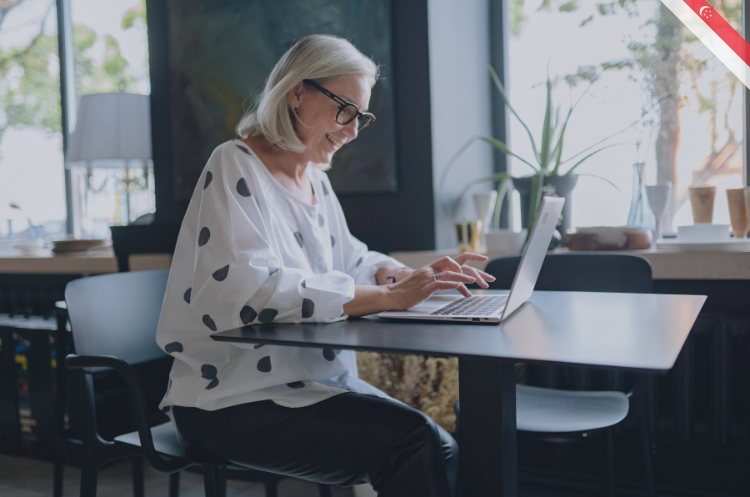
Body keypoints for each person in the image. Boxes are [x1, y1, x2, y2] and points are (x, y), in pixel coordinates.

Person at [156, 34, 495, 497]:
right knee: (413, 443)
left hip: (311, 385)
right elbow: (252, 290)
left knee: (443, 447)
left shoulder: (315, 181)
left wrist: (399, 276)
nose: (353, 130)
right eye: (345, 109)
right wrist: (392, 297)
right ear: (297, 91)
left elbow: (351, 259)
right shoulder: (235, 165)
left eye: (362, 116)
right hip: (228, 399)